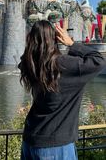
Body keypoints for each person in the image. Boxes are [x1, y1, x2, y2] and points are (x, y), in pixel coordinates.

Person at [19, 21, 106, 160]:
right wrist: (71, 43)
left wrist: (33, 45)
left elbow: (24, 59)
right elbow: (98, 60)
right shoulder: (66, 65)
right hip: (56, 146)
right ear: (55, 38)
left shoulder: (30, 65)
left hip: (30, 140)